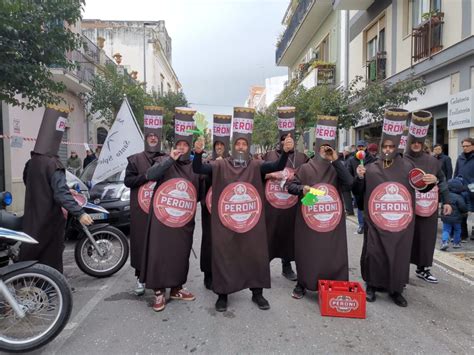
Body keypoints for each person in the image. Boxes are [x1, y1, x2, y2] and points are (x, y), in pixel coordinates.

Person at [193, 107, 294, 312]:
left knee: (254, 255)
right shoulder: (221, 165)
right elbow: (198, 169)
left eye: (244, 143)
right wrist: (197, 153)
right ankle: (222, 294)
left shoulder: (256, 165)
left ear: (248, 146)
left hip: (251, 222)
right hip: (226, 223)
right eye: (237, 143)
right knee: (225, 255)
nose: (240, 147)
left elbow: (276, 165)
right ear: (233, 145)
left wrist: (286, 151)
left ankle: (257, 294)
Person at [353, 108, 418, 307]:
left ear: (397, 146)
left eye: (392, 146)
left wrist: (430, 182)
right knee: (374, 253)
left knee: (398, 255)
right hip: (376, 221)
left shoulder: (408, 167)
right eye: (385, 146)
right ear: (381, 147)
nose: (388, 149)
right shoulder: (371, 167)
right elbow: (357, 192)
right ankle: (371, 286)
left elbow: (420, 186)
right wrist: (360, 177)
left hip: (400, 222)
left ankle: (395, 289)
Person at [140, 107, 201, 312]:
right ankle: (158, 292)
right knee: (159, 252)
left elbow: (199, 194)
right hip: (161, 219)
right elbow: (150, 175)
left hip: (183, 220)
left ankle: (176, 288)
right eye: (179, 145)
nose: (182, 148)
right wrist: (170, 160)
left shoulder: (194, 167)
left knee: (180, 253)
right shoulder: (163, 161)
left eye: (186, 145)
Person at [20, 105, 93, 273]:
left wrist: (65, 189)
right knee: (51, 256)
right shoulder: (53, 163)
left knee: (31, 253)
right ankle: (54, 289)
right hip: (50, 220)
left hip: (32, 218)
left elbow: (33, 183)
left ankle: (27, 287)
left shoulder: (31, 163)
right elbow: (59, 193)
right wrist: (80, 212)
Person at [287, 115, 353, 299]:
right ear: (316, 147)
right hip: (309, 213)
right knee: (307, 251)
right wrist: (302, 189)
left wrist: (336, 160)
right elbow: (290, 187)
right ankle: (303, 284)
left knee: (332, 252)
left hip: (331, 217)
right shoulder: (306, 168)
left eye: (329, 147)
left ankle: (335, 284)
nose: (326, 150)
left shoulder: (336, 168)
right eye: (323, 147)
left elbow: (349, 183)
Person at [403, 111, 451, 284]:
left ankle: (423, 269)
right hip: (407, 207)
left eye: (419, 142)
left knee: (426, 238)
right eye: (413, 142)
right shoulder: (401, 159)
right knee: (405, 239)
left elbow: (443, 180)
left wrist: (447, 201)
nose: (416, 144)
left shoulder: (432, 161)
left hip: (428, 206)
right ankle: (400, 271)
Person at [263, 107, 308, 281]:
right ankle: (262, 266)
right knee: (269, 234)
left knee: (289, 236)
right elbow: (258, 175)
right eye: (283, 139)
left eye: (290, 139)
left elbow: (309, 176)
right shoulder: (269, 155)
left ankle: (286, 266)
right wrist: (272, 175)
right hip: (272, 204)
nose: (287, 142)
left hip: (292, 204)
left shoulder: (303, 157)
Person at [124, 106, 165, 296]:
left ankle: (161, 278)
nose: (153, 139)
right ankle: (140, 279)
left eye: (156, 136)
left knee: (160, 245)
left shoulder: (166, 159)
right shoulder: (134, 160)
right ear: (146, 137)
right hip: (141, 209)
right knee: (140, 244)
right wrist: (146, 177)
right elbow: (128, 181)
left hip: (160, 210)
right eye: (150, 136)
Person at [200, 114, 232, 290]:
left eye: (222, 145)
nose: (219, 148)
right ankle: (208, 274)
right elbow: (202, 176)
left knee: (226, 242)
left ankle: (225, 272)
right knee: (209, 241)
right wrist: (215, 166)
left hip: (226, 209)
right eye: (217, 146)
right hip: (209, 209)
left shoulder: (232, 163)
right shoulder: (208, 162)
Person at [348, 140, 378, 234]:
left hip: (369, 185)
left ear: (366, 147)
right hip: (357, 186)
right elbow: (349, 172)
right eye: (359, 146)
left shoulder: (372, 159)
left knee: (369, 205)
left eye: (362, 146)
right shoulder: (352, 160)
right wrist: (353, 181)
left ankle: (370, 225)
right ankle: (361, 225)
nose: (360, 148)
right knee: (360, 206)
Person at [453, 137, 474, 241]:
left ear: (473, 146)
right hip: (461, 190)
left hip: (473, 189)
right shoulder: (460, 158)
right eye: (463, 146)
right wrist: (454, 186)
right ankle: (463, 233)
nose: (465, 148)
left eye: (467, 146)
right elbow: (456, 173)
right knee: (462, 212)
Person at [440, 178, 468, 250]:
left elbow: (443, 204)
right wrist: (465, 211)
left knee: (446, 230)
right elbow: (463, 207)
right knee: (457, 230)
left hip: (446, 216)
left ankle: (444, 242)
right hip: (457, 218)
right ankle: (456, 243)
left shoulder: (445, 196)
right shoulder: (459, 197)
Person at [341, 145, 355, 216]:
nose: (343, 152)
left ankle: (349, 210)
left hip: (348, 180)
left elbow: (347, 170)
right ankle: (350, 209)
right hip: (351, 179)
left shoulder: (349, 159)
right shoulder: (349, 158)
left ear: (347, 152)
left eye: (344, 150)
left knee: (346, 195)